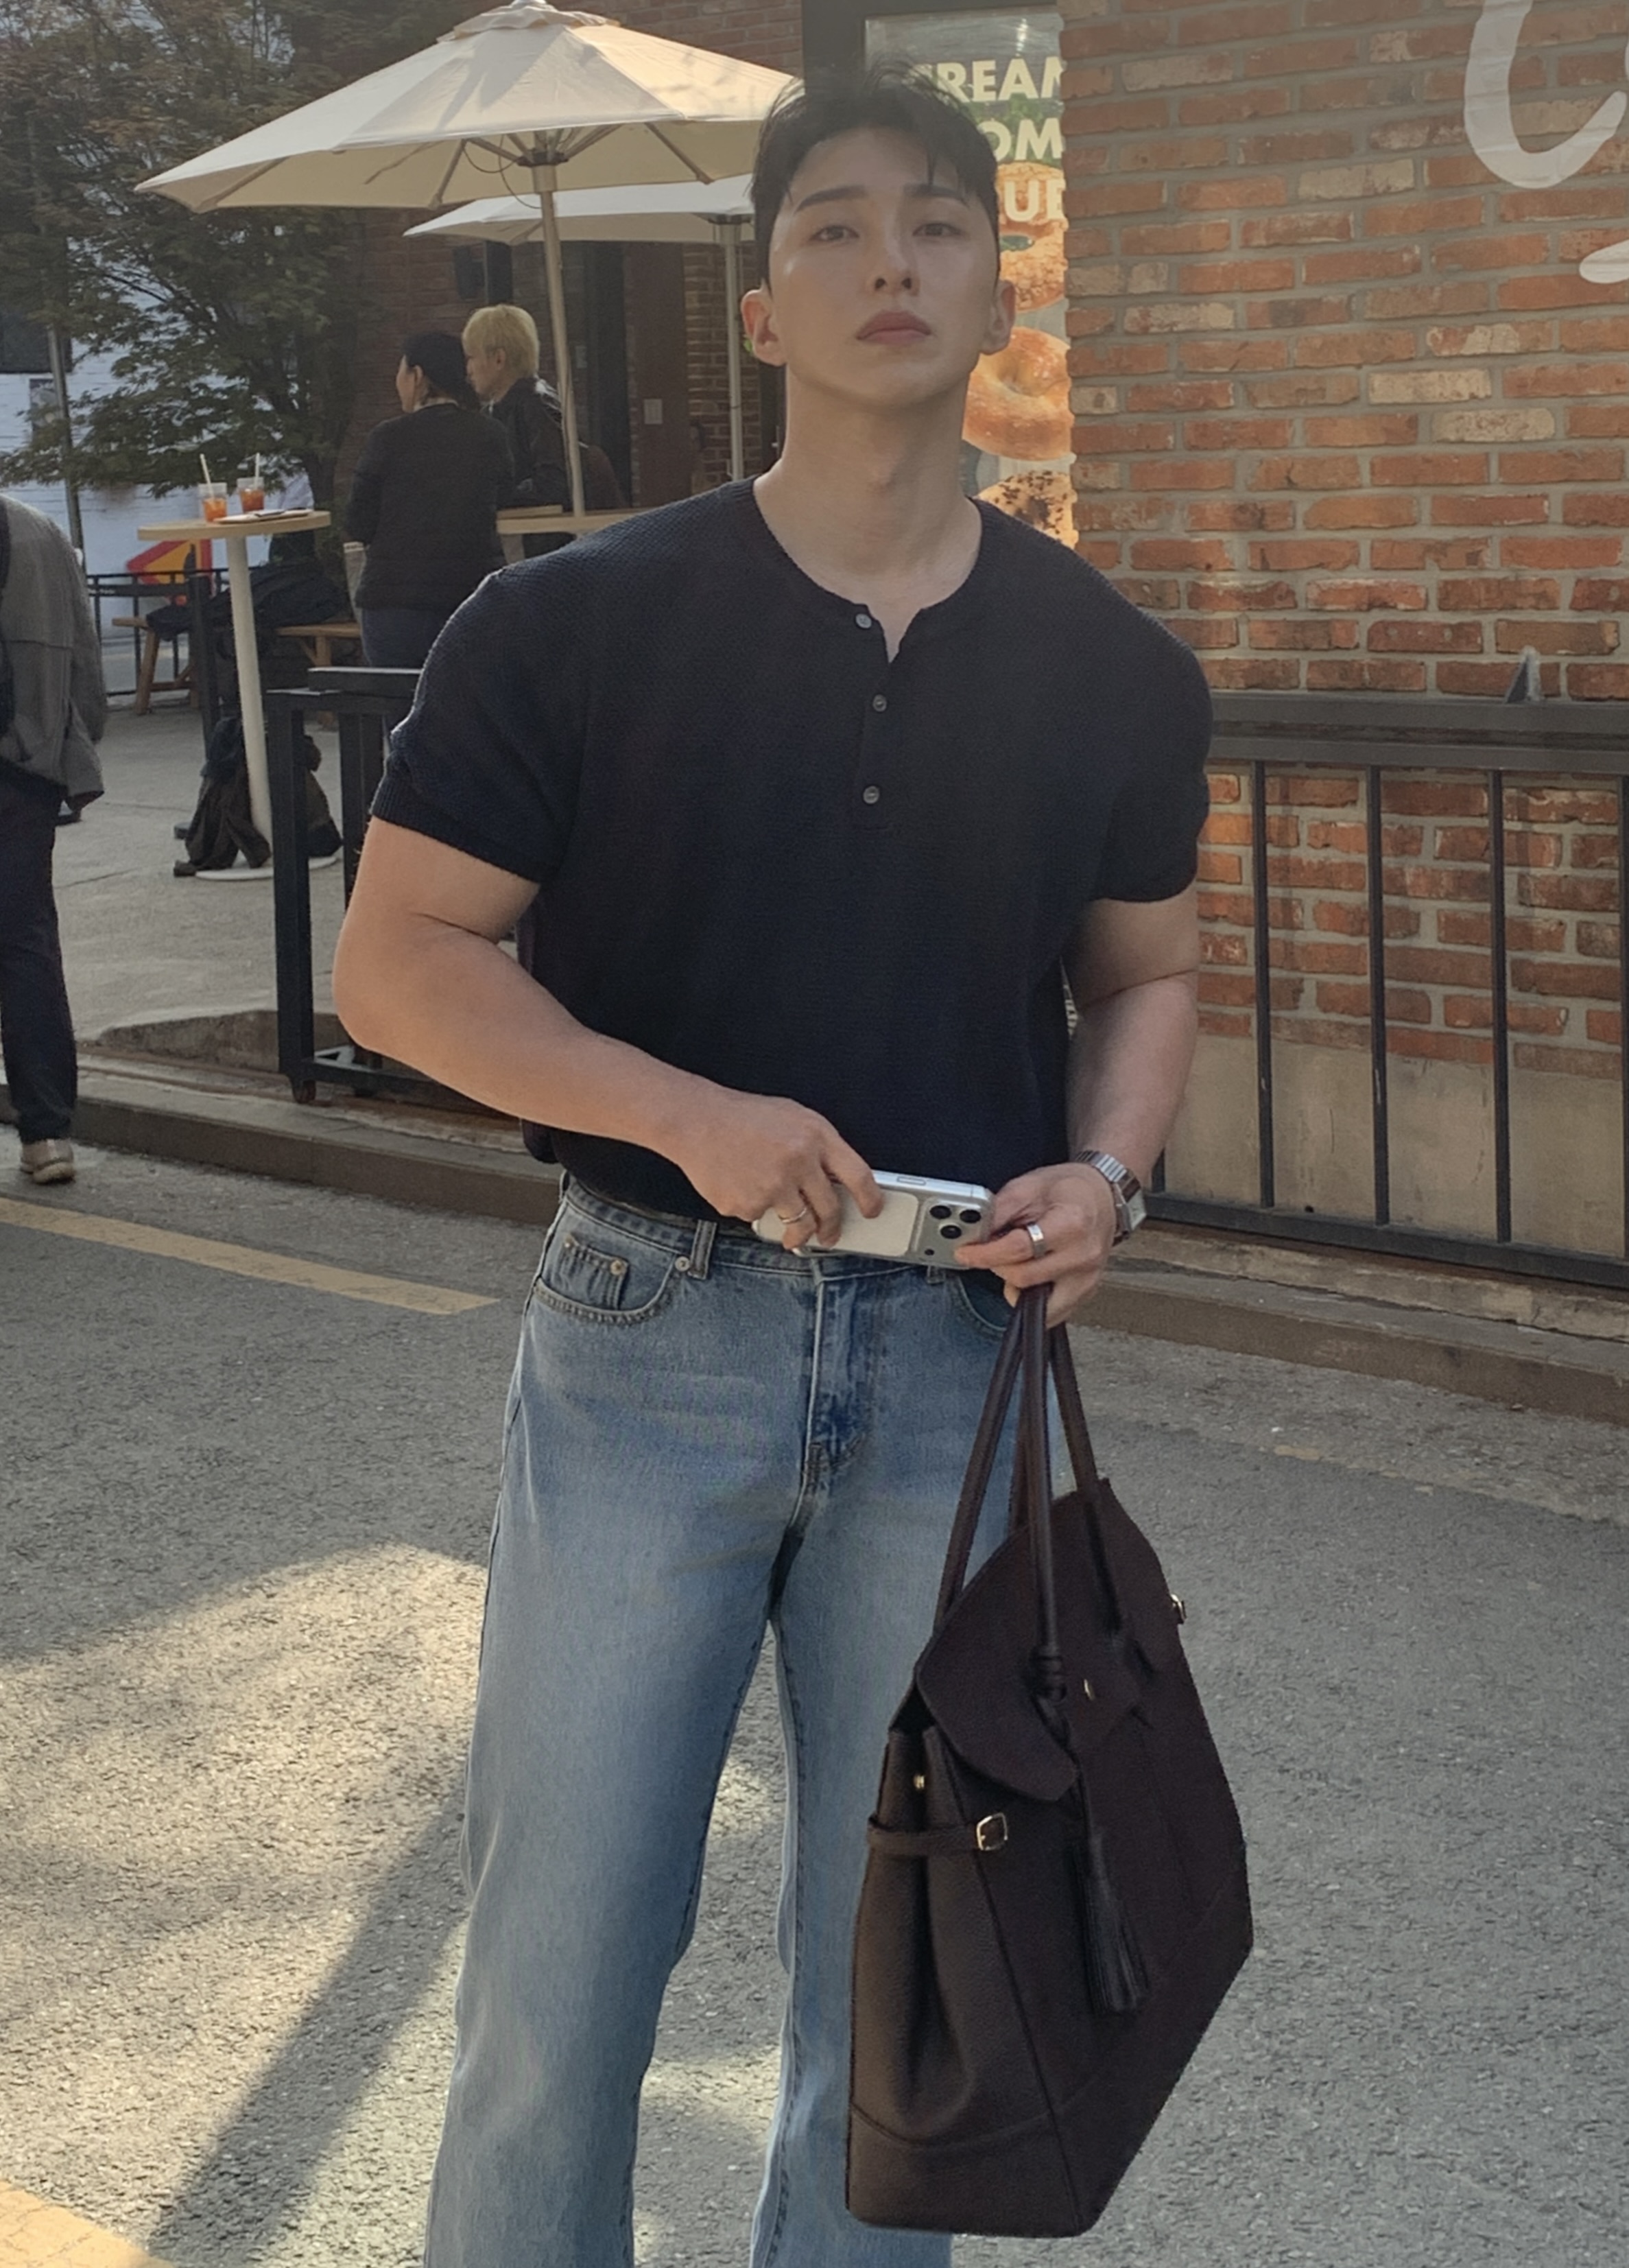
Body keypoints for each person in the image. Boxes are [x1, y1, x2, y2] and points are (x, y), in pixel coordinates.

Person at [333, 62, 1210, 2268]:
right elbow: (398, 963)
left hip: (955, 1353)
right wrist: (682, 1113)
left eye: (935, 220)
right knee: (555, 1983)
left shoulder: (1109, 669)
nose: (886, 258)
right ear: (759, 307)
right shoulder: (574, 626)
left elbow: (1142, 978)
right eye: (830, 223)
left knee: (902, 1998)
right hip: (651, 1325)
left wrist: (1109, 1176)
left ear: (998, 284)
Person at [0, 494, 106, 1187]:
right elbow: (86, 671)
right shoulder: (38, 532)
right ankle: (46, 1135)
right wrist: (71, 745)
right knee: (26, 939)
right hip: (25, 769)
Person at [344, 331, 513, 669]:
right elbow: (504, 499)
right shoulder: (491, 435)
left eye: (400, 371)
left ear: (418, 375)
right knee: (472, 699)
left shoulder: (386, 438)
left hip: (394, 604)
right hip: (473, 598)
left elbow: (358, 523)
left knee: (400, 701)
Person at [463, 301, 626, 546]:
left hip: (551, 542)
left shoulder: (536, 405)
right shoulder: (497, 411)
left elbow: (554, 481)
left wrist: (494, 496)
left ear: (498, 359)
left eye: (471, 358)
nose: (468, 370)